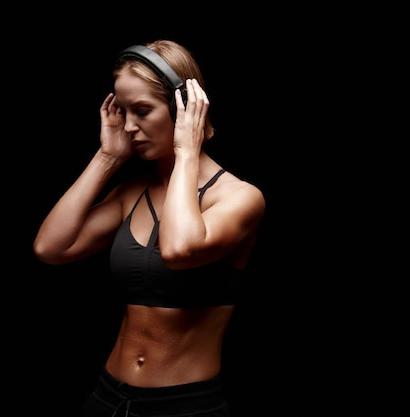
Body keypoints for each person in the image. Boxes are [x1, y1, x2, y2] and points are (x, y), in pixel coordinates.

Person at [33, 39, 266, 417]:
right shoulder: (132, 193)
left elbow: (178, 250)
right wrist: (108, 156)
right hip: (107, 397)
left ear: (183, 108)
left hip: (184, 406)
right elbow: (51, 248)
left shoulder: (240, 197)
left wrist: (187, 151)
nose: (128, 126)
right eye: (123, 112)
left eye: (142, 110)